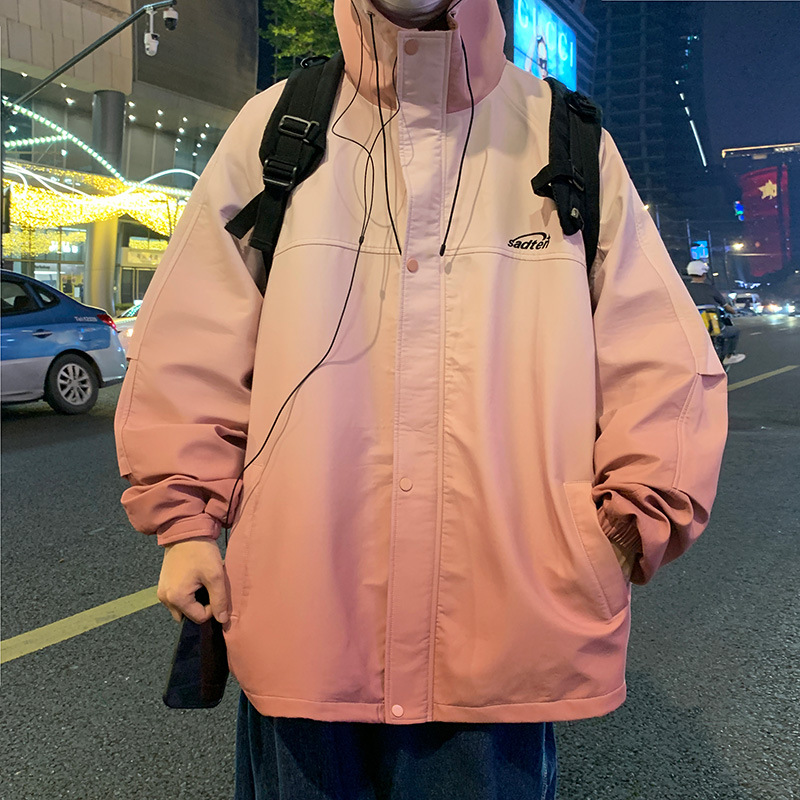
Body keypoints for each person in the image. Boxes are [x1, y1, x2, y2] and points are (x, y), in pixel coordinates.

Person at [115, 1, 728, 797]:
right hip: (307, 616)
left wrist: (624, 526)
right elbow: (191, 340)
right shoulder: (280, 128)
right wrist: (186, 523)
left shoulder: (564, 139)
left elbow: (662, 360)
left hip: (506, 631)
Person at [685, 260, 746, 366]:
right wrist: (734, 311)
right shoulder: (710, 289)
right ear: (704, 274)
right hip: (713, 328)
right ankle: (729, 356)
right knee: (735, 331)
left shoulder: (684, 289)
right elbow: (727, 307)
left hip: (691, 328)